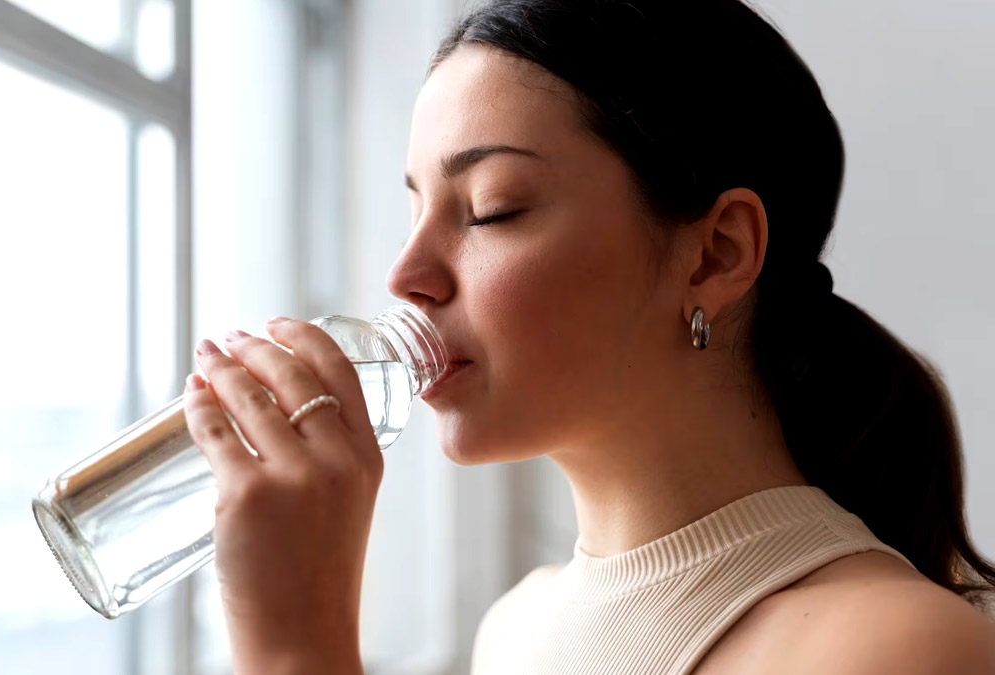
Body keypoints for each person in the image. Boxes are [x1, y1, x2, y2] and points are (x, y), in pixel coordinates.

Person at [181, 0, 995, 672]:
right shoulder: (514, 628)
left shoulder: (894, 647)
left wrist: (294, 645)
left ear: (717, 253)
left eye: (493, 207)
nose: (405, 274)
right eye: (413, 209)